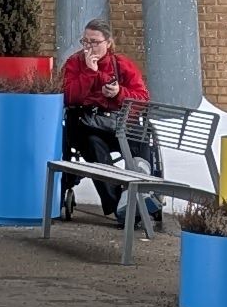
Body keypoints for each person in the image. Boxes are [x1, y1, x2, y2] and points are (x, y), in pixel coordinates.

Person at [57, 19, 160, 224]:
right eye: (85, 41)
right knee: (94, 146)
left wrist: (119, 93)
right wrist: (89, 73)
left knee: (140, 139)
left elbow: (142, 99)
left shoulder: (121, 64)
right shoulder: (74, 63)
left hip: (120, 123)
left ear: (108, 43)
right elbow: (67, 96)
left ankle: (140, 188)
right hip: (88, 124)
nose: (89, 47)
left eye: (94, 42)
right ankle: (120, 206)